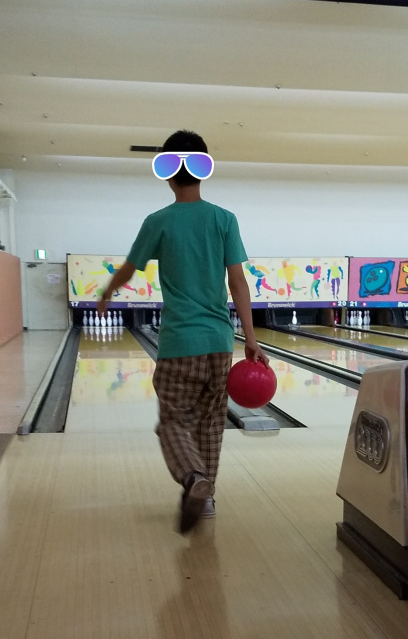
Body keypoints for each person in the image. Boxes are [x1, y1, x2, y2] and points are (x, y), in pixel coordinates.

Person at [97, 129, 269, 534]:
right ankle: (206, 499)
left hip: (178, 343)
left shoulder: (158, 222)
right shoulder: (224, 219)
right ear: (203, 169)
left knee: (173, 421)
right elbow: (238, 282)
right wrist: (250, 338)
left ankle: (193, 478)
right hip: (219, 343)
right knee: (210, 424)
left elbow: (129, 269)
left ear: (168, 173)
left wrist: (106, 292)